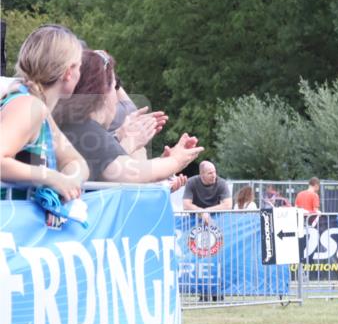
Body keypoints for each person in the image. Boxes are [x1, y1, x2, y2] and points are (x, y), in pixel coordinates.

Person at [54, 50, 202, 188]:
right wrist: (176, 160)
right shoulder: (84, 129)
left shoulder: (70, 124)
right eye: (115, 85)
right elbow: (129, 172)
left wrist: (122, 141)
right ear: (103, 90)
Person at [0, 25, 89, 225]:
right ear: (68, 72)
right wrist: (52, 178)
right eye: (79, 66)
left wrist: (66, 183)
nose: (79, 74)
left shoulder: (37, 108)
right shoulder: (28, 105)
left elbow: (76, 161)